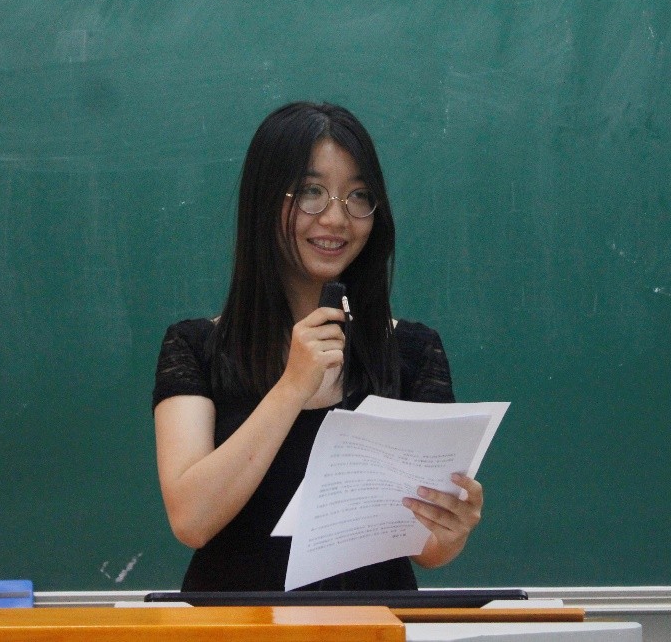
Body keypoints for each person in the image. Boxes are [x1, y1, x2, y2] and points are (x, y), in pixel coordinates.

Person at [152, 101, 483, 591]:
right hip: (236, 622)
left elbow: (426, 548)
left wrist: (452, 529)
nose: (336, 218)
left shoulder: (413, 351)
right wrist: (292, 388)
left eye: (358, 196)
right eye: (311, 192)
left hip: (373, 620)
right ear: (265, 200)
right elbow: (191, 520)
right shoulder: (196, 347)